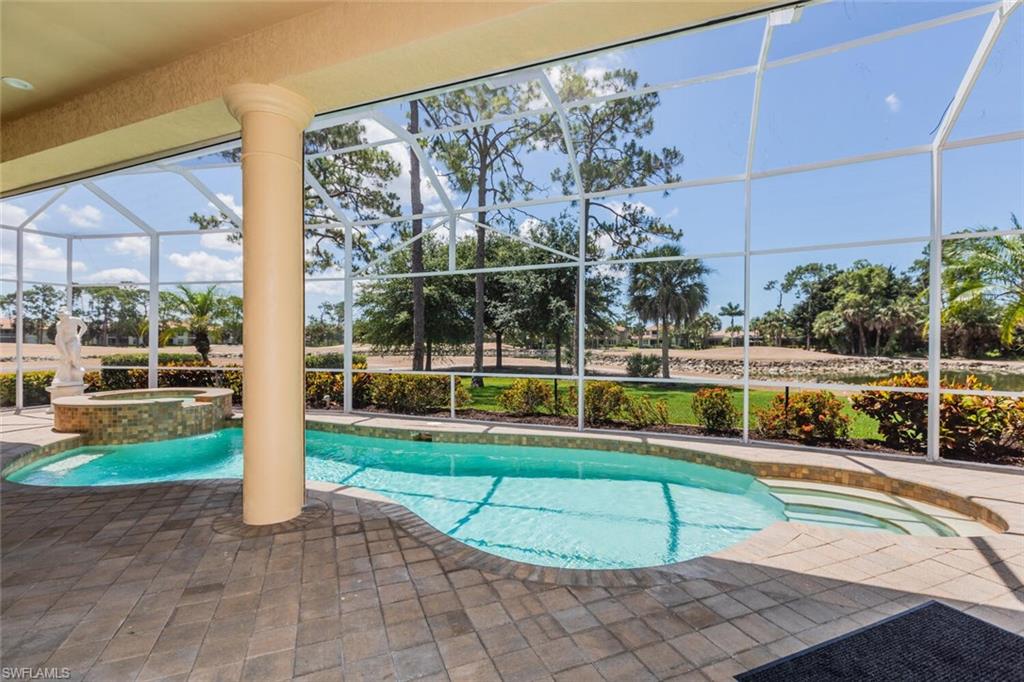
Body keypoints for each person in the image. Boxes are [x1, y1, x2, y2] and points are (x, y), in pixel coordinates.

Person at [53, 308, 86, 385]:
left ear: (67, 315)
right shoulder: (59, 324)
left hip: (74, 340)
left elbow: (84, 327)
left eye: (63, 315)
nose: (62, 317)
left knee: (74, 356)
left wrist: (79, 336)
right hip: (62, 342)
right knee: (65, 358)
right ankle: (64, 377)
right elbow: (60, 338)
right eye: (60, 316)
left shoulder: (75, 320)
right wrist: (65, 352)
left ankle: (77, 373)